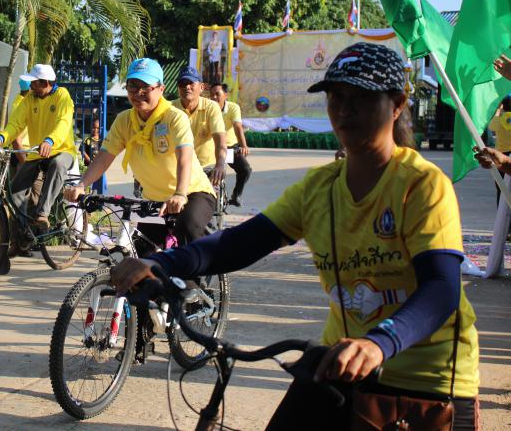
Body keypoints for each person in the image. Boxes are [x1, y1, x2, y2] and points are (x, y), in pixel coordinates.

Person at [112, 43, 480, 430]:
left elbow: (441, 288)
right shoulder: (320, 188)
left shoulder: (421, 185)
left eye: (361, 98)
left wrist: (378, 344)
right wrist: (158, 263)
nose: (345, 110)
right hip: (341, 361)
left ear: (397, 105)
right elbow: (239, 243)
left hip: (427, 380)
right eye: (336, 97)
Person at [64, 58, 216, 249]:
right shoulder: (124, 120)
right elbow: (104, 156)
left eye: (145, 87)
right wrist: (81, 185)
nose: (138, 93)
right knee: (143, 252)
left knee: (188, 229)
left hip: (192, 192)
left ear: (161, 89)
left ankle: (201, 268)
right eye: (133, 86)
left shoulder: (174, 117)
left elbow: (184, 158)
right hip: (153, 199)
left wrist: (179, 194)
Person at [0, 64, 76, 255]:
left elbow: (63, 122)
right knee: (14, 193)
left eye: (34, 83)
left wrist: (50, 141)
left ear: (45, 83)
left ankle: (43, 213)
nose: (31, 87)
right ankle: (25, 234)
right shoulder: (29, 99)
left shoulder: (62, 95)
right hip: (37, 153)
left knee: (58, 163)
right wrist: (0, 139)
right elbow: (15, 124)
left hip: (61, 150)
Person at [172, 66, 227, 186]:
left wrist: (220, 164)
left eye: (191, 83)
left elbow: (220, 139)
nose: (187, 87)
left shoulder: (211, 107)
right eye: (182, 84)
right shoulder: (170, 109)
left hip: (206, 167)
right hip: (177, 166)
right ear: (178, 88)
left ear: (201, 87)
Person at [209, 82, 251, 206]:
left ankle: (236, 195)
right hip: (212, 147)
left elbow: (238, 127)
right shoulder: (208, 107)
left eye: (217, 94)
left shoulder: (233, 108)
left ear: (226, 95)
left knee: (245, 170)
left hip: (230, 148)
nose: (214, 97)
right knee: (208, 174)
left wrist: (243, 146)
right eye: (211, 94)